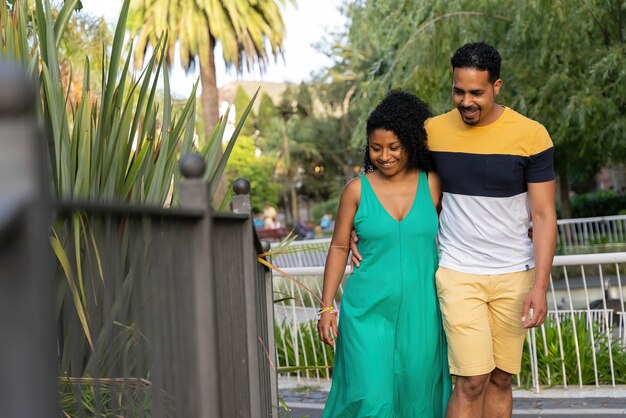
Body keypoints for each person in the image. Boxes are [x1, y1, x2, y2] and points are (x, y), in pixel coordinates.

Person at [351, 43, 557, 418]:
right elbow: (386, 167)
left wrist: (540, 286)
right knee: (472, 379)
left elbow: (543, 215)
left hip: (515, 274)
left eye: (476, 92)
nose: (466, 101)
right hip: (459, 272)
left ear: (497, 86)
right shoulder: (432, 132)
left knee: (500, 378)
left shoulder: (532, 136)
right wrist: (357, 224)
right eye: (458, 91)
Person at [318, 90, 451, 417]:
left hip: (423, 313)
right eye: (376, 148)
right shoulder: (357, 190)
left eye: (394, 147)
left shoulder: (433, 183)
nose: (385, 156)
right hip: (366, 312)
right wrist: (326, 308)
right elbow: (337, 246)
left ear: (411, 143)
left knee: (419, 401)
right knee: (370, 400)